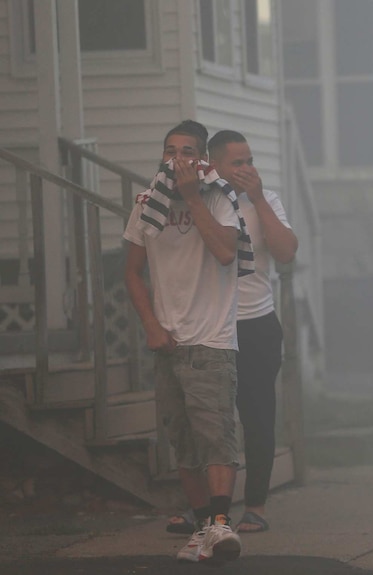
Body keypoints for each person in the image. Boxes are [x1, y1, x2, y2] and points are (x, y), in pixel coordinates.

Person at [124, 120, 246, 564]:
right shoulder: (145, 205)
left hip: (211, 339)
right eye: (169, 151)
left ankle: (219, 525)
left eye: (187, 151)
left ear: (203, 161)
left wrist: (193, 197)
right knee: (183, 442)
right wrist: (152, 326)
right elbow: (131, 272)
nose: (177, 159)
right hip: (168, 340)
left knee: (216, 437)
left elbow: (226, 251)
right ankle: (201, 529)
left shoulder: (221, 199)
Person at [207, 129, 298, 532]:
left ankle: (256, 505)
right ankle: (210, 508)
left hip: (257, 322)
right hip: (210, 325)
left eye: (249, 161)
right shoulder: (203, 202)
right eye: (236, 163)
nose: (246, 169)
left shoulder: (267, 200)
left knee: (258, 417)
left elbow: (286, 251)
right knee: (211, 421)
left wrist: (258, 199)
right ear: (215, 166)